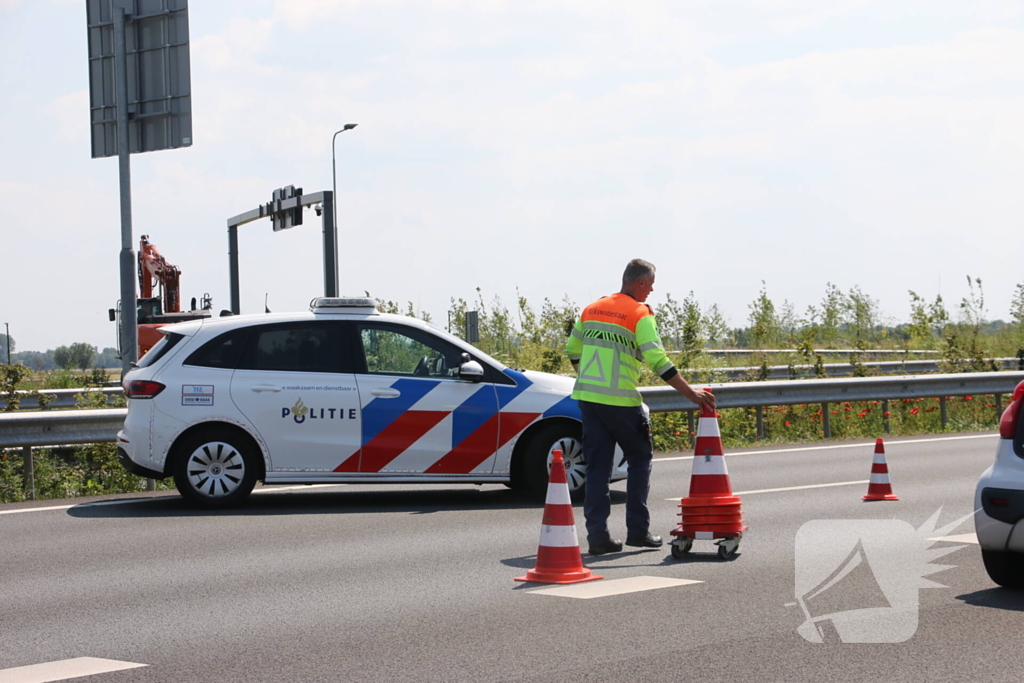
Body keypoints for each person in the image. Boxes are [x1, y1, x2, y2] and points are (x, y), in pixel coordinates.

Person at [566, 258, 716, 555]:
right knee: (639, 460)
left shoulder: (591, 308)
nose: (652, 290)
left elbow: (573, 350)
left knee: (597, 468)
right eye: (651, 284)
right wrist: (690, 393)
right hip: (621, 401)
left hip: (589, 400)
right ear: (640, 283)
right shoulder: (639, 313)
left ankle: (598, 537)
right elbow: (658, 360)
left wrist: (589, 378)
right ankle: (638, 531)